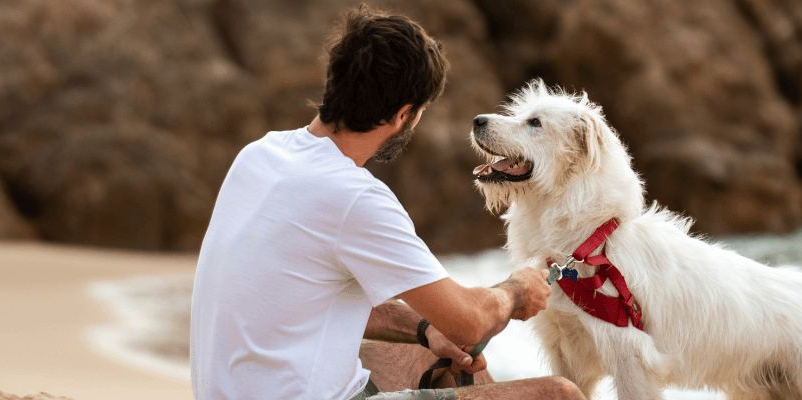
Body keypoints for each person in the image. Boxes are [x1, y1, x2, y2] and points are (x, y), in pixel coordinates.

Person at [189, 6, 585, 400]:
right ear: (403, 114)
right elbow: (470, 321)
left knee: (425, 353)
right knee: (560, 394)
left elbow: (298, 302)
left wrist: (425, 330)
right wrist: (515, 290)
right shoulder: (356, 199)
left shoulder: (260, 155)